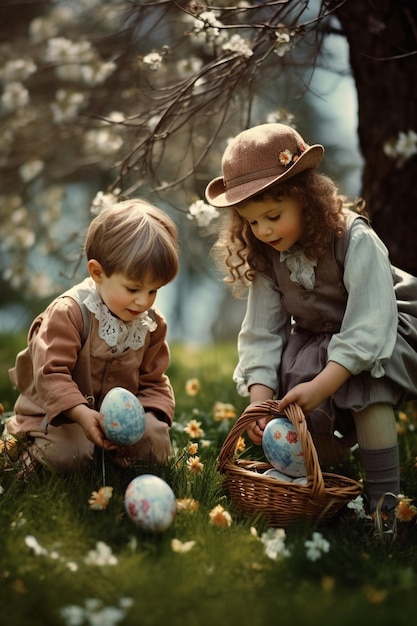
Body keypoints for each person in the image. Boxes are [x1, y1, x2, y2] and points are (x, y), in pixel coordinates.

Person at [205, 123, 417, 538]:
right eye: (251, 222)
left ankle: (385, 512)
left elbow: (370, 324)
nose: (263, 231)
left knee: (369, 392)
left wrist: (325, 384)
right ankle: (328, 481)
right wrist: (260, 400)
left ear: (306, 199)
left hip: (379, 331)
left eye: (273, 216)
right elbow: (262, 332)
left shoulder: (354, 238)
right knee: (295, 409)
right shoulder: (268, 255)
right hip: (318, 339)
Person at [5, 198, 179, 478]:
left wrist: (151, 418)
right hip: (62, 415)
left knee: (154, 445)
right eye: (133, 288)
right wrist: (82, 414)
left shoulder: (151, 324)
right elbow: (51, 373)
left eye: (153, 291)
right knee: (69, 455)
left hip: (114, 417)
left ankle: (111, 456)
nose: (143, 301)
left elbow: (153, 381)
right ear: (97, 272)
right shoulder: (70, 313)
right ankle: (30, 456)